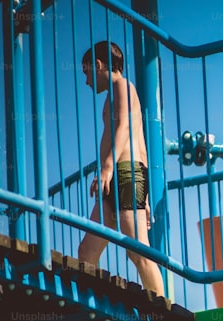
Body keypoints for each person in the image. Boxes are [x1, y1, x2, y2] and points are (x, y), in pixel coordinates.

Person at [79, 41, 165, 297]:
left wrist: (106, 167)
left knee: (138, 251)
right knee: (87, 251)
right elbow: (141, 146)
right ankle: (88, 304)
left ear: (98, 64)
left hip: (126, 173)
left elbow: (125, 129)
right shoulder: (109, 98)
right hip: (114, 175)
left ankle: (163, 311)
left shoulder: (123, 87)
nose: (86, 81)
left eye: (86, 73)